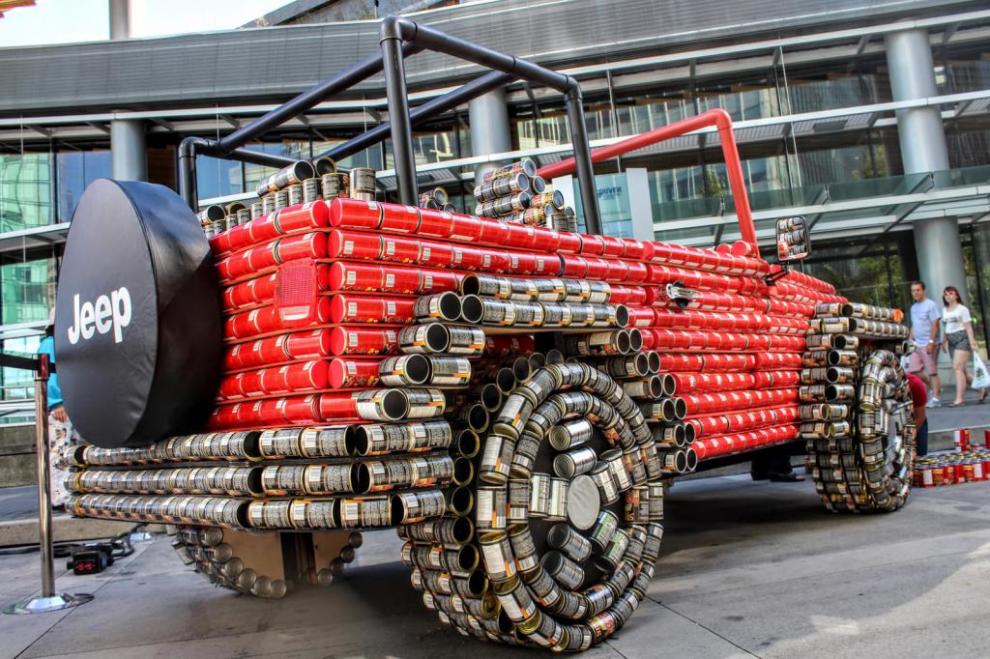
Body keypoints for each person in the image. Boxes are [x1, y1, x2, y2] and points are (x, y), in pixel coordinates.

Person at [36, 310, 77, 509]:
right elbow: (49, 375)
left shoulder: (54, 343)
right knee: (60, 452)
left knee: (66, 451)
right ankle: (60, 497)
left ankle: (66, 494)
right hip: (59, 408)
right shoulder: (50, 344)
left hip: (65, 407)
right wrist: (57, 402)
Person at [940, 285, 988, 406]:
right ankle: (981, 389)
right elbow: (946, 327)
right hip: (951, 340)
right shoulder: (944, 310)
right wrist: (943, 341)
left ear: (956, 295)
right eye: (946, 294)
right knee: (963, 373)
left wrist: (972, 342)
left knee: (957, 368)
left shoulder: (962, 309)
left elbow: (968, 327)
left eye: (951, 293)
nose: (948, 296)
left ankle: (960, 399)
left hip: (962, 338)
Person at [908, 281, 942, 407]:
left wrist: (931, 342)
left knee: (932, 371)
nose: (915, 293)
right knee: (914, 370)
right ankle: (935, 388)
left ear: (923, 290)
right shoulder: (913, 308)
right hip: (917, 344)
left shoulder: (931, 305)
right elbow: (914, 326)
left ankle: (937, 398)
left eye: (918, 290)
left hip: (929, 343)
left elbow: (935, 324)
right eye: (913, 291)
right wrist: (910, 341)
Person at [906, 372, 928, 456]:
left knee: (919, 457)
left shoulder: (914, 384)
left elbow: (920, 417)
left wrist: (907, 438)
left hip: (915, 421)